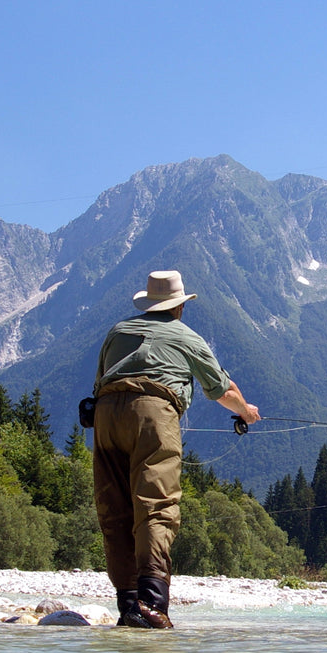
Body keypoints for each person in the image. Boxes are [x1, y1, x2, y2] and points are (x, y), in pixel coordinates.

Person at [91, 269, 261, 628]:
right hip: (153, 416)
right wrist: (246, 411)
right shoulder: (187, 337)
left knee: (114, 511)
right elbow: (223, 390)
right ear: (180, 306)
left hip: (105, 416)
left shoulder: (118, 331)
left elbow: (100, 382)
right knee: (155, 507)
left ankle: (128, 606)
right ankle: (152, 606)